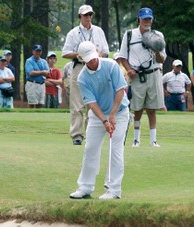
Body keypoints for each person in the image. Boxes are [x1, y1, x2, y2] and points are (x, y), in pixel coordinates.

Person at [69, 41, 129, 200]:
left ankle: (114, 190)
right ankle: (85, 187)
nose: (93, 61)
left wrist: (113, 115)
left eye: (94, 57)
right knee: (90, 148)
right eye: (88, 59)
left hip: (120, 112)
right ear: (81, 58)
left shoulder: (111, 66)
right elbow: (91, 102)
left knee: (115, 149)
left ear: (97, 52)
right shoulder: (82, 78)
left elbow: (120, 90)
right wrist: (104, 120)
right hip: (97, 115)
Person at [118, 7, 166, 147]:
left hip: (154, 74)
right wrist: (129, 69)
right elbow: (122, 57)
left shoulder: (158, 35)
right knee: (137, 109)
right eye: (144, 19)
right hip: (137, 76)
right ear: (139, 19)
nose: (147, 21)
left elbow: (162, 59)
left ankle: (153, 140)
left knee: (152, 109)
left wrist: (156, 51)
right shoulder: (129, 35)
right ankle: (136, 140)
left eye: (149, 19)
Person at [62, 4, 109, 145]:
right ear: (80, 17)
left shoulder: (98, 31)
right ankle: (76, 135)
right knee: (77, 104)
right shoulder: (73, 33)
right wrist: (79, 55)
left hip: (96, 68)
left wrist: (97, 55)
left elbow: (106, 50)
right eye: (85, 15)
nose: (88, 17)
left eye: (90, 15)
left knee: (93, 103)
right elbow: (65, 53)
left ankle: (91, 134)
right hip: (78, 67)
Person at [25, 44, 50, 108]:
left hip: (42, 84)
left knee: (40, 103)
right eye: (36, 51)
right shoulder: (29, 61)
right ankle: (31, 117)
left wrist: (40, 72)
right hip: (32, 83)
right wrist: (42, 72)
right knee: (32, 103)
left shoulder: (43, 61)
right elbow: (31, 73)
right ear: (33, 51)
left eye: (39, 51)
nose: (38, 53)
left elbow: (47, 72)